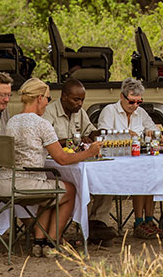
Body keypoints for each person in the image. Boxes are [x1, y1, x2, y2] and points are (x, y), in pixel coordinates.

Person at [0, 78, 102, 258]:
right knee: (69, 190)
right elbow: (62, 158)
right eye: (47, 98)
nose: (48, 102)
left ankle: (39, 243)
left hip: (5, 183)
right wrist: (89, 152)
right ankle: (52, 241)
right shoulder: (41, 124)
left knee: (53, 189)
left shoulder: (12, 121)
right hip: (24, 186)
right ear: (39, 98)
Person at [42, 78, 117, 247]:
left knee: (104, 177)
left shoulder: (80, 112)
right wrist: (69, 141)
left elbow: (90, 132)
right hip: (56, 163)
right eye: (76, 99)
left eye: (82, 100)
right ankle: (85, 224)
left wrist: (100, 133)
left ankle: (98, 223)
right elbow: (46, 142)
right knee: (80, 183)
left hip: (78, 160)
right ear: (64, 97)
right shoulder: (49, 112)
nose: (80, 103)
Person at [97, 77, 162, 239]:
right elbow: (102, 136)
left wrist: (153, 134)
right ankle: (139, 222)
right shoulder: (109, 111)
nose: (135, 106)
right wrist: (126, 135)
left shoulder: (140, 112)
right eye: (131, 102)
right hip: (114, 164)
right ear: (121, 97)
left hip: (137, 160)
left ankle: (148, 220)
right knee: (142, 176)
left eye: (139, 102)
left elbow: (157, 133)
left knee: (151, 175)